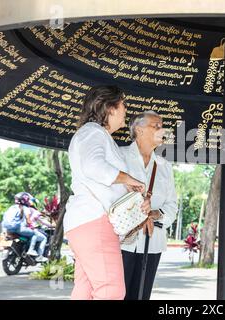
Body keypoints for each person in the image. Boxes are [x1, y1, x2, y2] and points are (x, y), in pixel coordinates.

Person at [64, 85, 148, 300]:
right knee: (110, 290)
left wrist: (126, 186)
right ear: (110, 107)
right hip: (95, 222)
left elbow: (96, 174)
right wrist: (128, 178)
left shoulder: (90, 134)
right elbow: (94, 166)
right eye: (123, 104)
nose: (125, 111)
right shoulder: (94, 132)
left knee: (85, 290)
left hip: (83, 224)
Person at [120, 111, 177, 300]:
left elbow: (171, 206)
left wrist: (154, 214)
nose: (163, 130)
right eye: (157, 126)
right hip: (121, 241)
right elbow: (112, 197)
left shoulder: (164, 166)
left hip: (151, 243)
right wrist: (139, 216)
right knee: (115, 294)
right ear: (139, 130)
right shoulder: (119, 156)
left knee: (142, 295)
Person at [2, 192, 48, 262]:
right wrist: (33, 227)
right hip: (20, 229)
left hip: (9, 229)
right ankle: (31, 250)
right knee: (35, 234)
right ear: (25, 200)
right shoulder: (26, 208)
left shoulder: (12, 207)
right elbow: (29, 221)